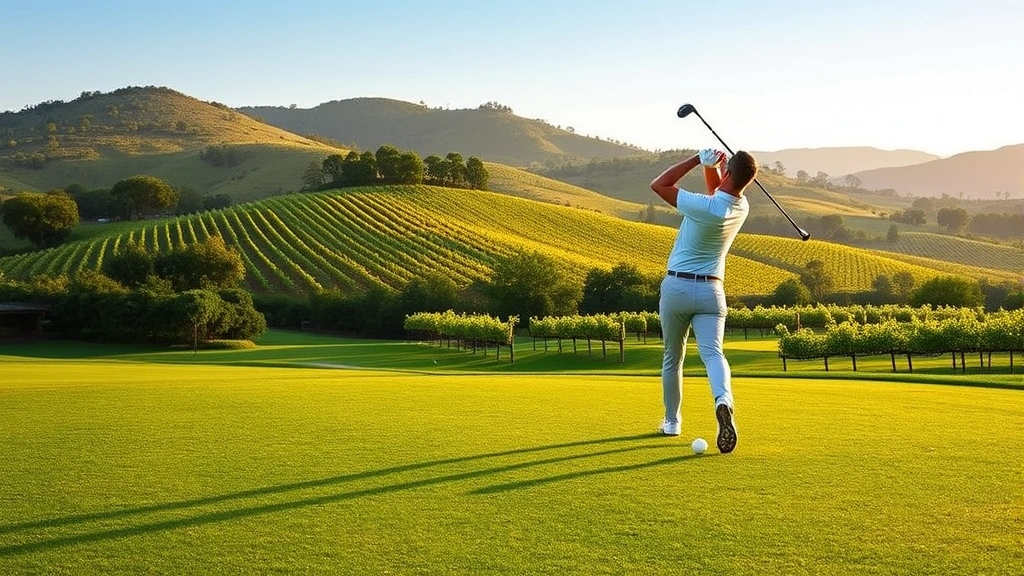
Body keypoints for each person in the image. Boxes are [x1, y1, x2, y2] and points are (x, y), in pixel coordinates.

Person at [649, 148, 758, 453]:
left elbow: (659, 184)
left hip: (677, 288)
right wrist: (715, 167)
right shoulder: (741, 206)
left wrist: (697, 160)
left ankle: (672, 423)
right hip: (712, 291)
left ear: (729, 172)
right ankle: (723, 400)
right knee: (713, 354)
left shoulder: (703, 206)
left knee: (673, 358)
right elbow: (719, 191)